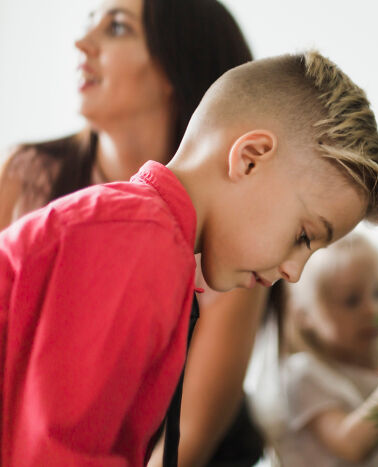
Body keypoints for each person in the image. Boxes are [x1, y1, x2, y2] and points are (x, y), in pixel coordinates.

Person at [0, 51, 378, 465]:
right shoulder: (136, 242)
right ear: (249, 159)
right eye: (303, 236)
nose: (295, 272)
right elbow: (55, 454)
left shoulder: (148, 239)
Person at [0, 1, 269, 464]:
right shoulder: (25, 174)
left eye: (117, 28)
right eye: (89, 25)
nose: (82, 44)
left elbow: (188, 443)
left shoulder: (235, 231)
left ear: (174, 66)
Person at [272, 233, 378, 466]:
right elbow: (350, 446)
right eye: (351, 300)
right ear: (305, 315)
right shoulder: (305, 374)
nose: (372, 310)